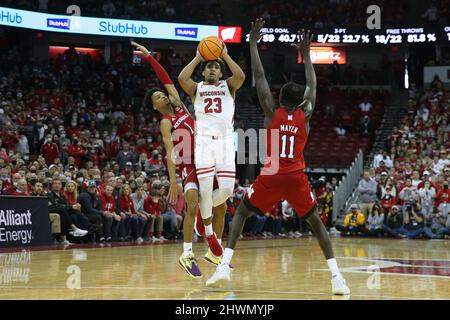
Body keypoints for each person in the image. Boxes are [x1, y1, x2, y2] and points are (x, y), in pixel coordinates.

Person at [206, 20, 350, 295]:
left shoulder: (271, 111)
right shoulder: (305, 114)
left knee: (242, 215)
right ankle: (337, 277)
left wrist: (251, 44)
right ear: (300, 102)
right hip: (296, 177)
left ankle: (224, 265)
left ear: (280, 96)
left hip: (271, 176)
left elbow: (259, 76)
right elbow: (313, 84)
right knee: (316, 223)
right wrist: (306, 54)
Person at [132, 41, 227, 278]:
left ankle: (215, 252)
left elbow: (167, 80)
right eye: (158, 96)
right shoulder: (165, 122)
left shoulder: (181, 108)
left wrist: (150, 57)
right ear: (155, 106)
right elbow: (170, 152)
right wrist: (174, 181)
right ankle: (187, 253)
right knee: (193, 203)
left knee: (222, 206)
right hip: (188, 164)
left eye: (161, 93)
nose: (162, 95)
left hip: (207, 159)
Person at [178, 34, 245, 264]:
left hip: (226, 141)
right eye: (210, 68)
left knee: (226, 191)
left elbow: (241, 75)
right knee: (205, 191)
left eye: (217, 67)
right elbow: (181, 78)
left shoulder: (230, 86)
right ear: (204, 73)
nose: (214, 70)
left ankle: (201, 213)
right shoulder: (196, 88)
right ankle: (209, 235)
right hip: (204, 141)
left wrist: (224, 54)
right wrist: (198, 57)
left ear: (221, 71)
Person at [47, 179, 88, 245]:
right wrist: (71, 207)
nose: (57, 185)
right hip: (51, 211)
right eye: (55, 184)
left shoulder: (62, 195)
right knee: (63, 210)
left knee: (72, 212)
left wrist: (74, 207)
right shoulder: (49, 195)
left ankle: (65, 239)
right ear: (52, 185)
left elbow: (66, 205)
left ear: (61, 186)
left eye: (59, 184)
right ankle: (74, 229)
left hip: (61, 212)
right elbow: (56, 206)